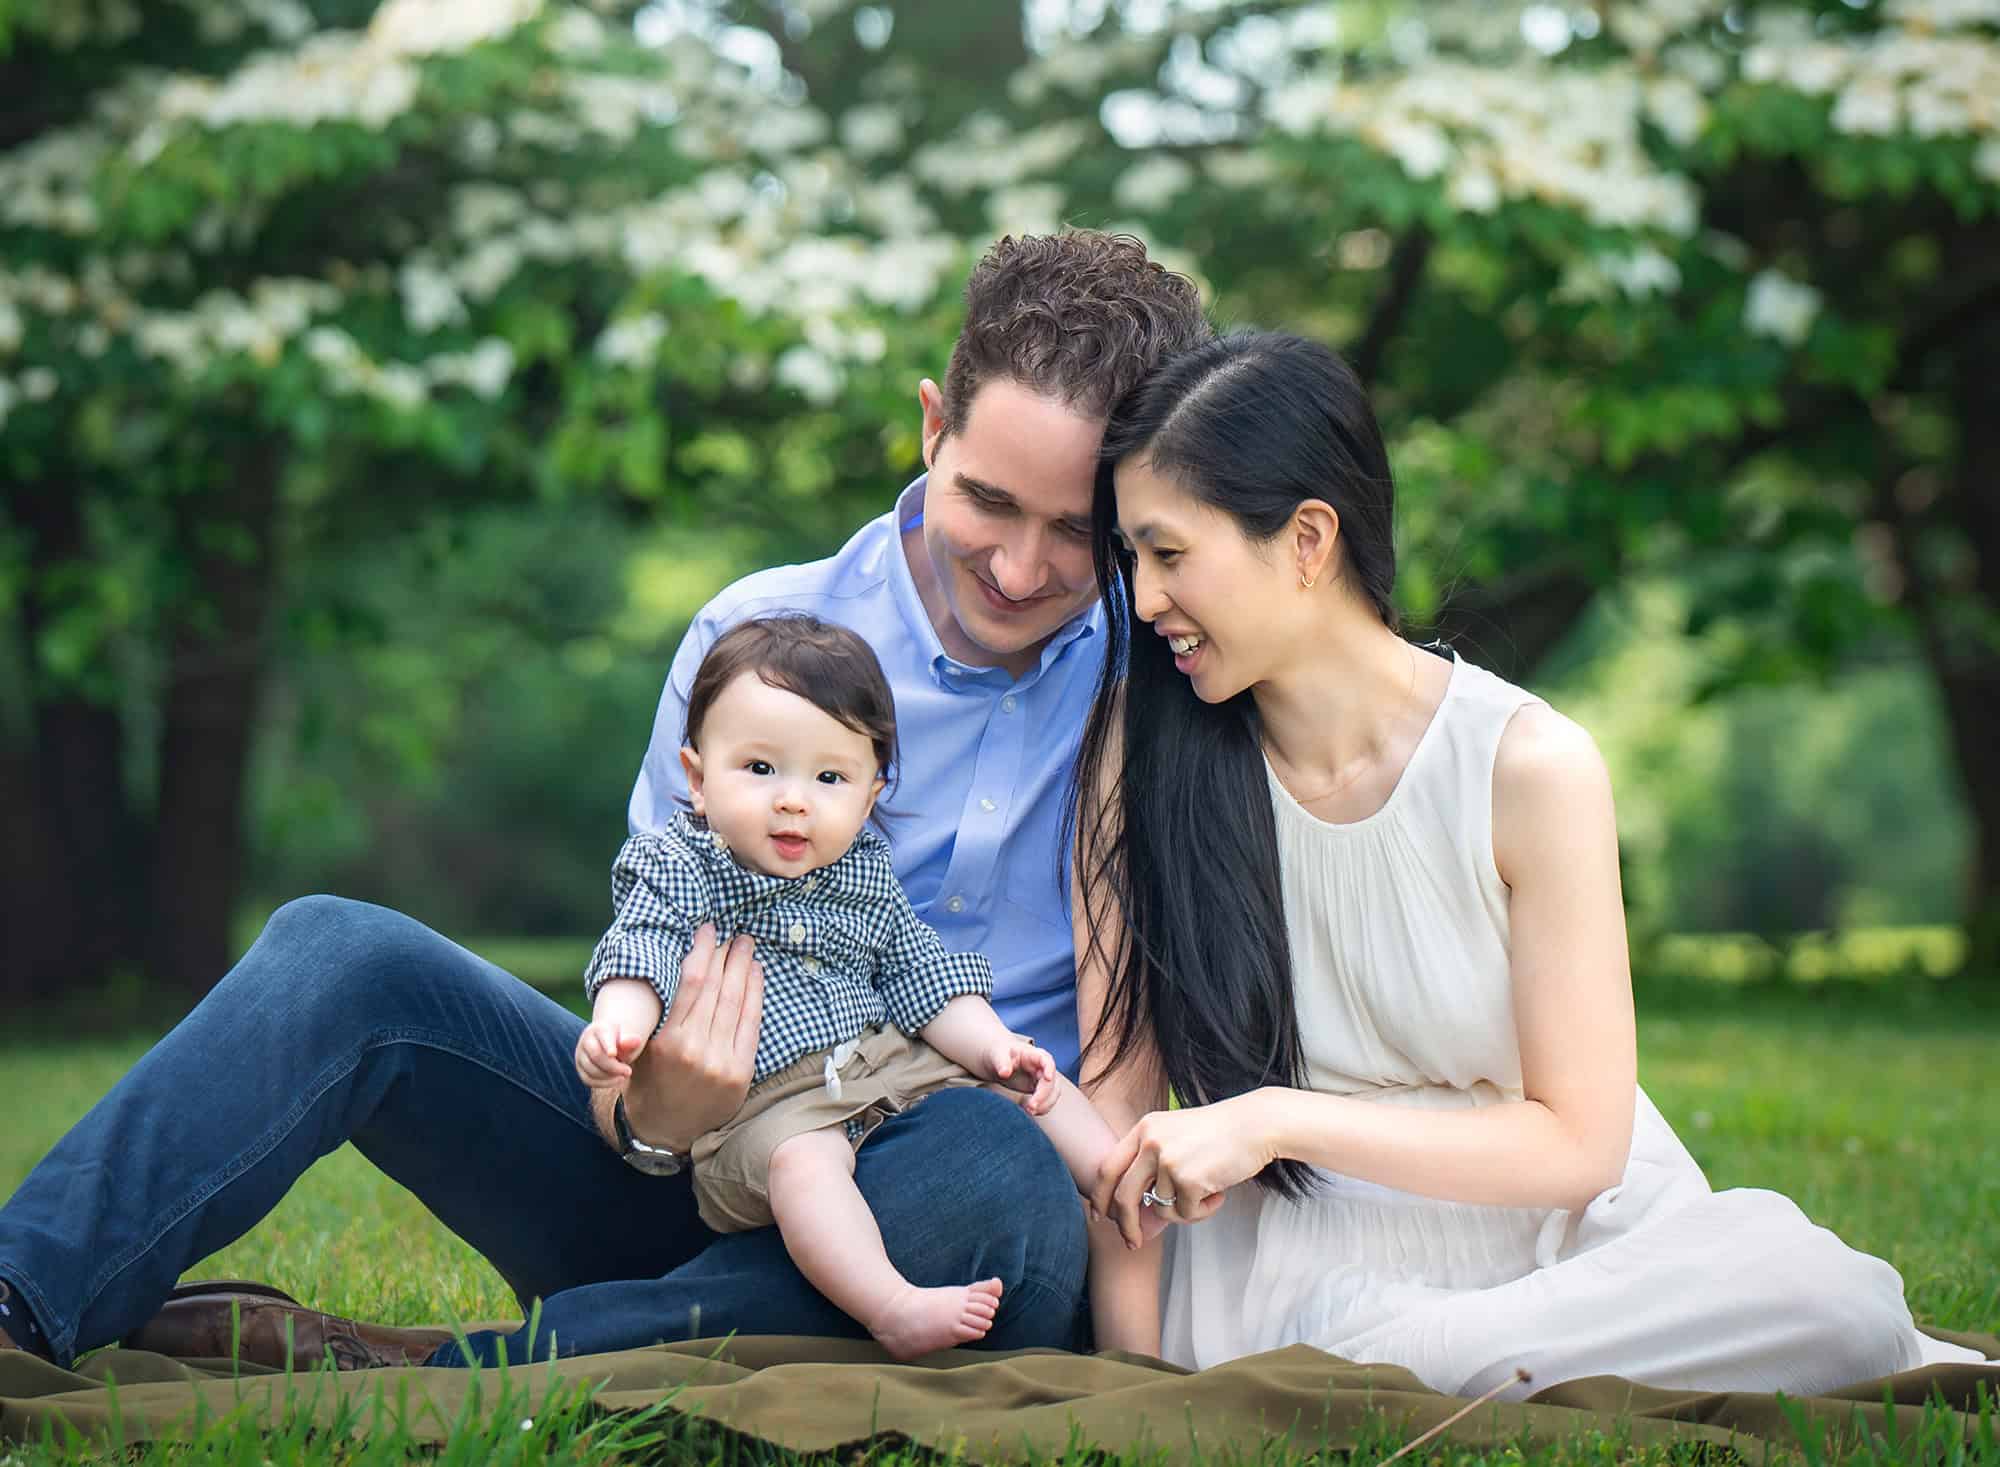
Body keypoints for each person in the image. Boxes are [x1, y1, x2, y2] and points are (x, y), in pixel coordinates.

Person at [0, 230, 1212, 1370]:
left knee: (993, 1163)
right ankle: (23, 1295)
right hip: (691, 1175)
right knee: (339, 954)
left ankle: (445, 1367)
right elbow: (640, 987)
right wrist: (651, 1115)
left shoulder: (1161, 678)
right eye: (988, 503)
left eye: (1076, 533)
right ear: (932, 427)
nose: (1017, 568)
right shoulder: (753, 641)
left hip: (945, 1221)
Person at [1065, 330, 1992, 1396]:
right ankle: (1445, 1368)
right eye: (1131, 558)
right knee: (1341, 1363)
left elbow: (1578, 1145)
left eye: (1169, 554)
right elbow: (1121, 1113)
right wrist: (1127, 1380)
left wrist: (1272, 1117)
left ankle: (1463, 1363)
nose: (1139, 600)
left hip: (1571, 1246)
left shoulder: (1527, 765)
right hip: (1299, 1263)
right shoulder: (1139, 758)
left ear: (1307, 539)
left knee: (1841, 1310)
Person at [575, 614, 1156, 1358]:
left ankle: (1119, 1183)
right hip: (763, 1109)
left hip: (879, 1066)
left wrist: (995, 1046)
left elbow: (923, 972)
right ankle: (890, 1304)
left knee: (1030, 1082)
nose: (794, 800)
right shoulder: (681, 862)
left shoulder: (862, 870)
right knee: (806, 1166)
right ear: (695, 776)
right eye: (760, 769)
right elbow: (643, 943)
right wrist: (619, 1025)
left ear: (871, 790)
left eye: (829, 778)